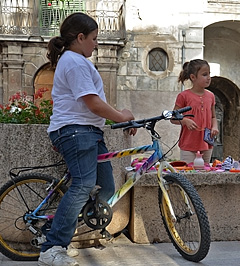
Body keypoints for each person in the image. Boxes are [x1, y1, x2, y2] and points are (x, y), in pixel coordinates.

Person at [39, 13, 136, 266]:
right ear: (80, 38)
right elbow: (92, 102)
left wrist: (118, 117)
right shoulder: (74, 62)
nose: (96, 44)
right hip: (75, 131)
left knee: (105, 188)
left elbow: (94, 100)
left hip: (87, 132)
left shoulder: (76, 61)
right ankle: (52, 248)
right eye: (93, 39)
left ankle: (64, 232)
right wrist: (120, 117)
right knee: (83, 186)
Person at [171, 59, 219, 164]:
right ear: (193, 77)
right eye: (205, 75)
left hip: (206, 144)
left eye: (209, 74)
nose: (209, 78)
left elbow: (213, 117)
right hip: (188, 145)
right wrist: (185, 121)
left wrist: (214, 127)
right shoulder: (183, 96)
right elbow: (173, 118)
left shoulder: (211, 96)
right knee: (187, 173)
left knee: (205, 173)